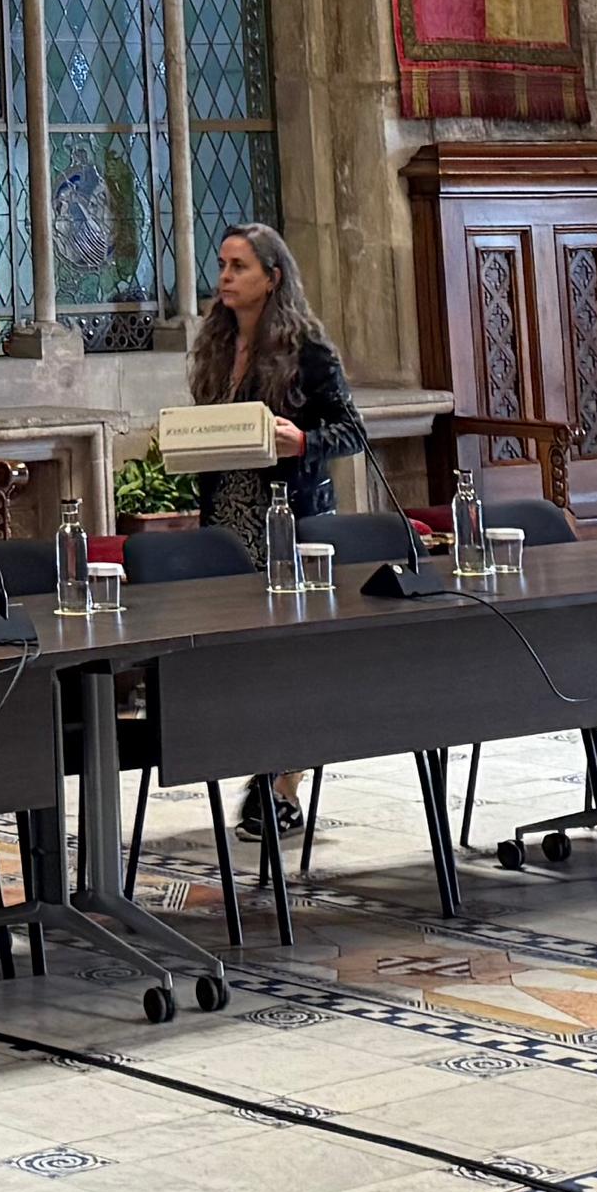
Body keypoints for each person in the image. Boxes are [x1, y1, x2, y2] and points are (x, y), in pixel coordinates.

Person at [186, 219, 366, 849]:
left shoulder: (308, 350)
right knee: (248, 659)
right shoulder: (215, 345)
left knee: (294, 657)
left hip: (290, 518)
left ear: (272, 277)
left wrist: (304, 440)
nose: (225, 277)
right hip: (229, 521)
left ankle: (280, 786)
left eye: (238, 266)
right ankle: (262, 765)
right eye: (222, 265)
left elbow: (352, 431)